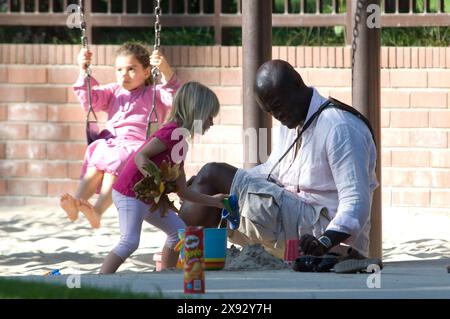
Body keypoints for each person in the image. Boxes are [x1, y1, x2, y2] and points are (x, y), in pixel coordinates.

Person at [179, 59, 379, 263]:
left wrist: (325, 241)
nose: (277, 117)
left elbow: (355, 202)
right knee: (207, 183)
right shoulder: (291, 121)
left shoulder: (339, 127)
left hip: (323, 235)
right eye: (270, 112)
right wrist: (209, 185)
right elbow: (272, 171)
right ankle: (195, 264)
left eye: (277, 107)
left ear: (297, 85)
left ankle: (179, 263)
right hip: (296, 221)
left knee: (212, 173)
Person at [100, 81, 227, 273]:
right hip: (129, 194)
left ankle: (166, 275)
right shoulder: (171, 133)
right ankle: (100, 279)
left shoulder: (181, 143)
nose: (211, 122)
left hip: (150, 198)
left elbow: (182, 191)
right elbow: (142, 156)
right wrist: (157, 180)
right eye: (209, 116)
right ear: (197, 112)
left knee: (178, 233)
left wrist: (214, 202)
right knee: (130, 241)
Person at [60, 42, 181, 229]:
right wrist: (82, 70)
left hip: (137, 145)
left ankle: (97, 211)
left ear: (147, 72)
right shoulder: (113, 91)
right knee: (98, 154)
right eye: (119, 69)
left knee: (116, 160)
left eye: (131, 69)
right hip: (111, 142)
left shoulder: (154, 93)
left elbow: (174, 96)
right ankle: (77, 203)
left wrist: (165, 71)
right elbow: (90, 99)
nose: (124, 74)